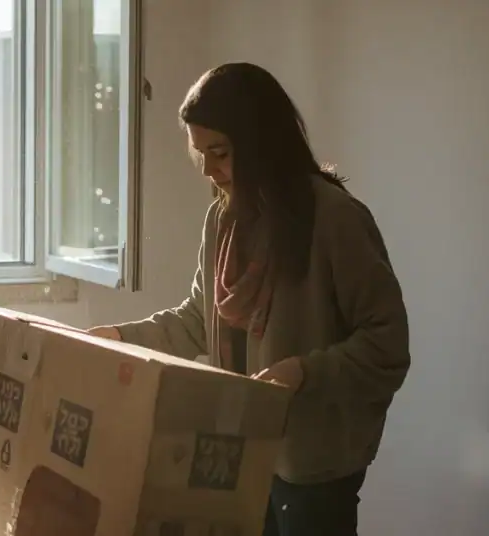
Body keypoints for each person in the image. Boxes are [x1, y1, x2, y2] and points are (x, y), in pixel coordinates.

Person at [88, 63, 411, 536]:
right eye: (200, 154)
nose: (209, 170)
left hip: (312, 467)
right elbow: (198, 320)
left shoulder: (336, 220)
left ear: (261, 143)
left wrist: (303, 372)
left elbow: (387, 345)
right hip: (241, 453)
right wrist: (119, 337)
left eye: (220, 153)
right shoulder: (223, 221)